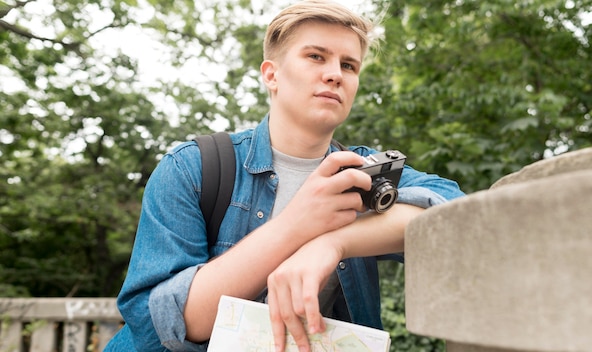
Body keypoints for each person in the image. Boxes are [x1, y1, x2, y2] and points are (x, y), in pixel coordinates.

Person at [105, 0, 464, 351]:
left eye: (349, 65)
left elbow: (454, 213)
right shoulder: (192, 167)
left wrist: (332, 243)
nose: (335, 74)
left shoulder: (363, 172)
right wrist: (296, 225)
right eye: (316, 56)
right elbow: (164, 325)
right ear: (271, 74)